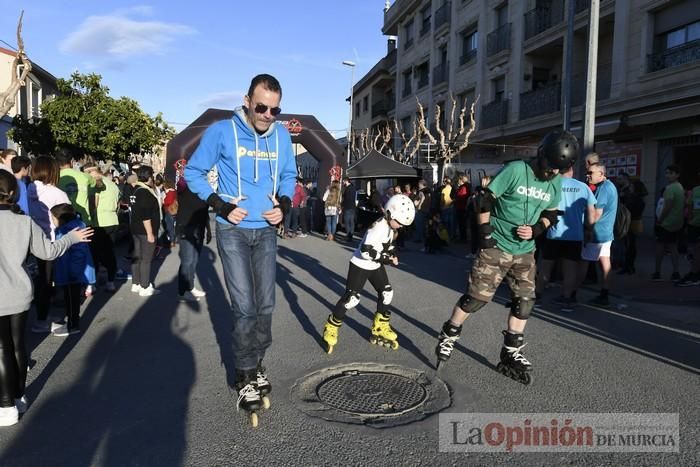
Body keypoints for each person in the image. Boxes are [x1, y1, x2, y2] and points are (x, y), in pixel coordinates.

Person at [184, 74, 296, 417]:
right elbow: (193, 172)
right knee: (245, 306)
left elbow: (289, 175)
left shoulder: (280, 136)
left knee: (266, 306)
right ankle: (244, 375)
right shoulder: (222, 130)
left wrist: (286, 206)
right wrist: (221, 206)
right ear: (247, 101)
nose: (267, 115)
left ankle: (257, 363)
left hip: (266, 230)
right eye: (261, 107)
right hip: (232, 229)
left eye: (274, 110)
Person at [434, 130, 578, 384]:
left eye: (558, 169)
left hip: (525, 251)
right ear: (541, 155)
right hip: (497, 244)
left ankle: (511, 352)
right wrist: (486, 236)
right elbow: (483, 201)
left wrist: (536, 229)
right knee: (476, 299)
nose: (551, 173)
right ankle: (449, 334)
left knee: (525, 301)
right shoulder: (515, 170)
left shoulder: (555, 181)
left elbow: (552, 214)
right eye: (549, 167)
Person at [0, 171, 92, 426]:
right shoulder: (25, 221)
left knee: (1, 349)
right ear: (12, 193)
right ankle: (17, 397)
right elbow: (48, 252)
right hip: (19, 293)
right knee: (18, 345)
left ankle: (5, 405)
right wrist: (72, 237)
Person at [322, 194, 415, 353]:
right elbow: (366, 251)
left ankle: (380, 326)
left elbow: (386, 245)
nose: (400, 226)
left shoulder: (390, 228)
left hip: (374, 265)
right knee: (351, 299)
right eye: (399, 222)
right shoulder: (378, 227)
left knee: (387, 293)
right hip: (360, 265)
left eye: (402, 224)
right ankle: (331, 326)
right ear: (390, 213)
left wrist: (392, 254)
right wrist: (386, 259)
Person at [535, 164, 597, 311]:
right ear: (571, 170)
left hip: (553, 233)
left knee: (545, 267)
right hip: (574, 235)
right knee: (570, 269)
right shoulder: (582, 186)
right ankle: (567, 298)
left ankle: (536, 296)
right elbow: (591, 212)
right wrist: (589, 229)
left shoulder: (551, 185)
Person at [27, 156, 71, 333]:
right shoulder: (58, 194)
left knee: (42, 278)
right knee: (49, 280)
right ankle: (42, 320)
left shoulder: (29, 189)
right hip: (53, 241)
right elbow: (67, 217)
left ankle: (41, 315)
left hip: (33, 239)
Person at [49, 203, 96, 336]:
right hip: (70, 270)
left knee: (71, 299)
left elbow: (78, 253)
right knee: (72, 299)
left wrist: (73, 273)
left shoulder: (69, 231)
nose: (52, 221)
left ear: (60, 218)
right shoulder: (75, 226)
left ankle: (72, 325)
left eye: (52, 218)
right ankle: (72, 321)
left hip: (71, 272)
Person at [581, 163, 618, 306]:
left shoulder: (604, 188)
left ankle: (571, 294)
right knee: (604, 263)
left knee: (583, 262)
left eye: (591, 173)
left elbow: (596, 214)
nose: (588, 175)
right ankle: (604, 294)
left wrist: (587, 229)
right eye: (587, 172)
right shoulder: (608, 186)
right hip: (604, 232)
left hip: (597, 233)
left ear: (601, 174)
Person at [84, 164, 120, 292]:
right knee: (110, 252)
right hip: (113, 220)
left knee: (94, 254)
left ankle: (92, 284)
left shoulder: (95, 184)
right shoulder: (112, 184)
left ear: (92, 171)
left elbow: (94, 205)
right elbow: (118, 204)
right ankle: (110, 282)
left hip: (99, 223)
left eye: (87, 173)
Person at [176, 181, 211, 302]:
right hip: (186, 229)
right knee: (187, 261)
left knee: (194, 261)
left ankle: (190, 287)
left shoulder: (203, 191)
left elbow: (205, 213)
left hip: (199, 230)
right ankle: (182, 292)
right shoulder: (184, 190)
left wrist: (208, 230)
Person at [129, 165, 161, 297]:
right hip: (144, 230)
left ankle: (136, 283)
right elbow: (145, 215)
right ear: (149, 177)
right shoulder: (145, 192)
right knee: (146, 259)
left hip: (135, 229)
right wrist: (150, 233)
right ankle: (145, 286)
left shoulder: (135, 190)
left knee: (137, 256)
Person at [652, 165, 685, 282]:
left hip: (666, 223)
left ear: (677, 174)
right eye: (667, 173)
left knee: (660, 248)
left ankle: (657, 273)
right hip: (677, 223)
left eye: (671, 173)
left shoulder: (670, 188)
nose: (668, 175)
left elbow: (667, 207)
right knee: (673, 247)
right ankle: (676, 272)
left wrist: (660, 219)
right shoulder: (680, 187)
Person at [616, 172, 647, 274]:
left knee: (630, 245)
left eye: (632, 187)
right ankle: (629, 266)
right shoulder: (636, 198)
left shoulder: (635, 199)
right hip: (634, 222)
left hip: (631, 223)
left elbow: (630, 211)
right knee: (630, 245)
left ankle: (628, 266)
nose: (631, 188)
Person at [56, 149, 96, 227]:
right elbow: (94, 186)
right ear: (72, 161)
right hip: (84, 220)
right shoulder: (85, 176)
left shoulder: (54, 179)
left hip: (62, 221)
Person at [677, 171, 700, 287]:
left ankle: (694, 275)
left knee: (696, 250)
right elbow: (689, 205)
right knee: (694, 250)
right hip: (694, 225)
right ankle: (695, 273)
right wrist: (690, 219)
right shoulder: (695, 190)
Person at [162, 179, 178, 247]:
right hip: (173, 210)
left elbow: (168, 201)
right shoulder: (174, 191)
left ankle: (172, 241)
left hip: (169, 210)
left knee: (170, 226)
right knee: (172, 226)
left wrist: (163, 200)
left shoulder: (170, 192)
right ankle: (173, 239)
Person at [454, 174, 470, 242]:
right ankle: (463, 238)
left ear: (461, 180)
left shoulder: (463, 187)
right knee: (462, 224)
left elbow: (461, 196)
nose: (458, 181)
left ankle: (463, 238)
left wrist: (455, 198)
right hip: (462, 207)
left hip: (462, 207)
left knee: (462, 224)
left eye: (459, 180)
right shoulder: (465, 187)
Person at [341, 177, 357, 242]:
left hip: (347, 207)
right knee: (351, 222)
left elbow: (346, 199)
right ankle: (351, 235)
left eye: (343, 181)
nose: (343, 183)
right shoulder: (353, 188)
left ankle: (348, 235)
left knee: (347, 222)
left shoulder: (347, 189)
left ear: (346, 181)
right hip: (352, 207)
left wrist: (342, 205)